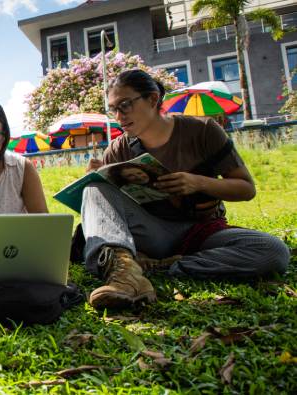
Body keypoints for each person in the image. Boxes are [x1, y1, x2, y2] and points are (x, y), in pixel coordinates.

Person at [83, 69, 290, 310]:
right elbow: (106, 210)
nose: (118, 116)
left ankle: (162, 267)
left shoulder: (202, 131)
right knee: (95, 187)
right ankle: (124, 273)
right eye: (113, 109)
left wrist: (199, 182)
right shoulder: (119, 148)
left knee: (273, 252)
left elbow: (246, 188)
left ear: (152, 99)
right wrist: (93, 179)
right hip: (150, 233)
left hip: (201, 231)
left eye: (125, 105)